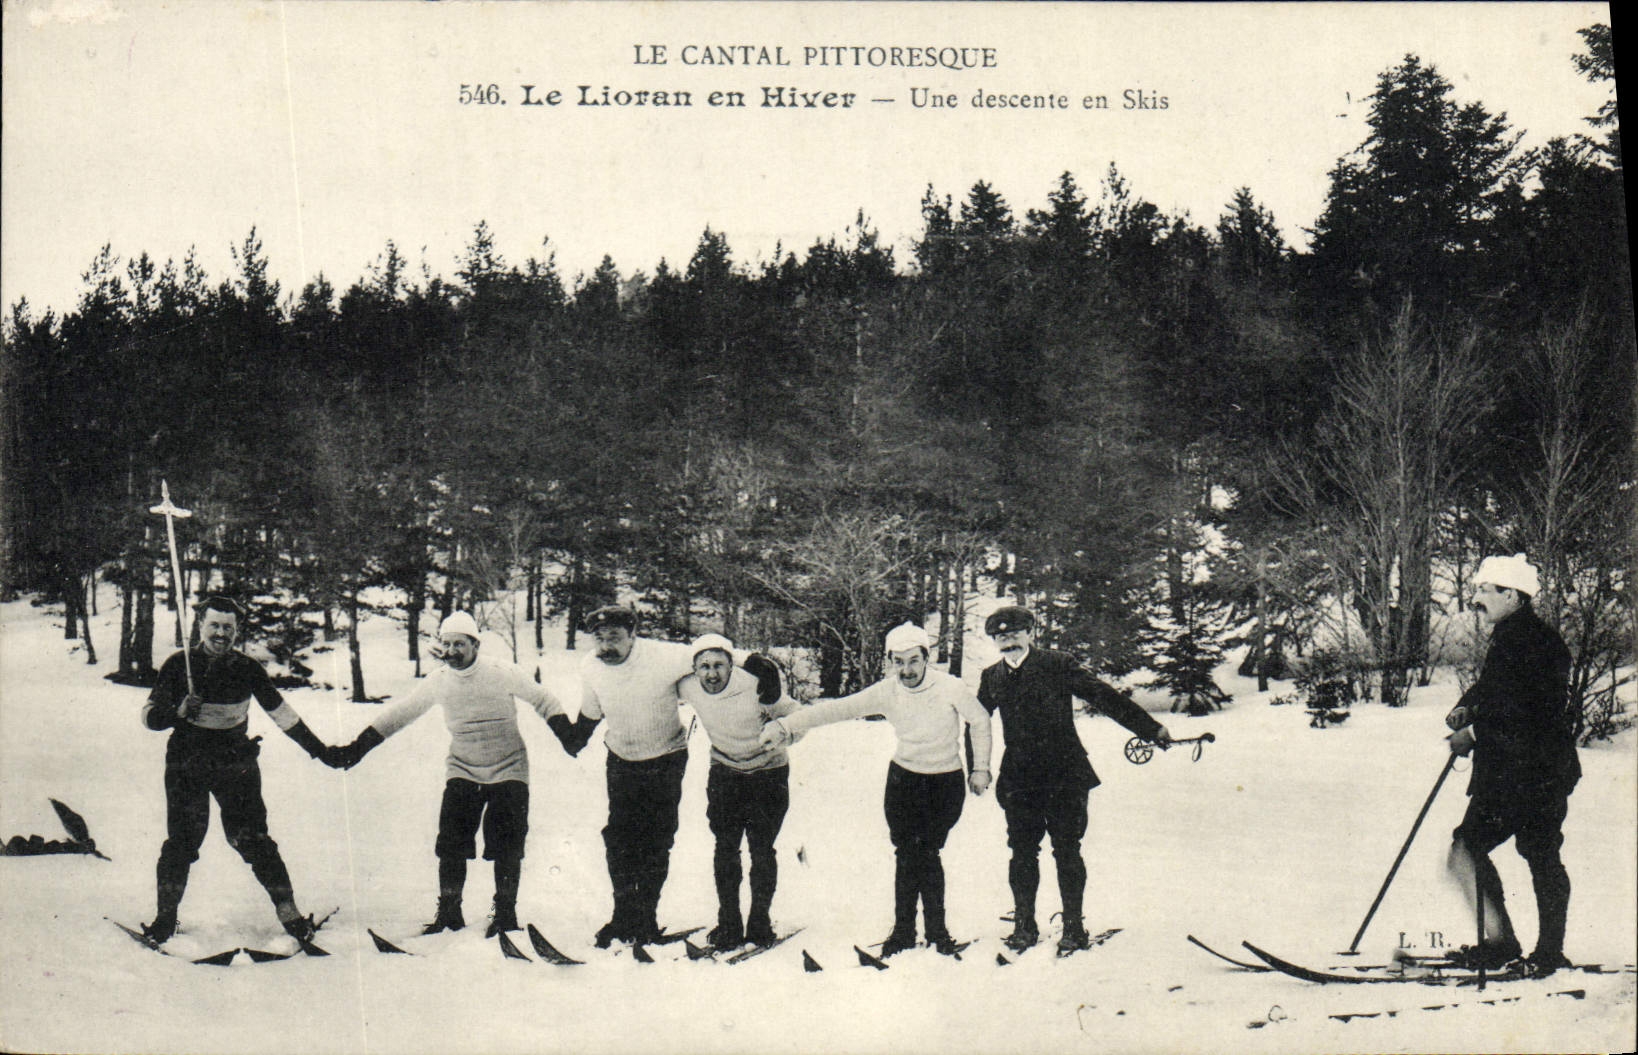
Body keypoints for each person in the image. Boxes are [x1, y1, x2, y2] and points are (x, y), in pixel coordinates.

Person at [327, 611, 579, 937]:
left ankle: (505, 913)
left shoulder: (500, 672)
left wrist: (567, 735)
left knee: (507, 844)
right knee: (451, 842)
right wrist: (356, 749)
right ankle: (449, 912)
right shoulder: (439, 681)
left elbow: (543, 699)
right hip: (463, 767)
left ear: (476, 644)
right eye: (446, 644)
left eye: (459, 643)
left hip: (509, 767)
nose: (452, 651)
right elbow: (398, 715)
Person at [761, 622, 993, 957]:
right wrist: (785, 725)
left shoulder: (949, 687)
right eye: (898, 661)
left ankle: (938, 933)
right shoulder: (887, 691)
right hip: (904, 781)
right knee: (906, 853)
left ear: (926, 658)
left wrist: (981, 768)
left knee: (926, 852)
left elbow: (980, 720)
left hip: (944, 782)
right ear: (889, 661)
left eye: (913, 660)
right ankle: (902, 932)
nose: (906, 669)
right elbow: (835, 709)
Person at [560, 605, 782, 948]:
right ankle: (623, 916)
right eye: (599, 638)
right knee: (618, 839)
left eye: (615, 637)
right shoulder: (591, 666)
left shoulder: (663, 657)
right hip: (621, 758)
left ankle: (646, 918)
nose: (606, 645)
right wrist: (579, 734)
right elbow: (593, 706)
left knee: (656, 838)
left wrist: (757, 662)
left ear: (633, 635)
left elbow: (712, 653)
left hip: (665, 759)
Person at [139, 595, 335, 946]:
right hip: (188, 762)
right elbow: (148, 717)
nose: (221, 633)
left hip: (235, 762)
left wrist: (320, 751)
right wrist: (178, 712)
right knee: (182, 842)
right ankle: (165, 919)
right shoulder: (177, 665)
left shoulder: (247, 668)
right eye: (214, 625)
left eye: (228, 627)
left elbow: (283, 714)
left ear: (236, 631)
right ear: (200, 626)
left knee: (254, 840)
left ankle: (289, 914)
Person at [978, 605, 1172, 954]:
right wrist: (975, 766)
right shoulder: (991, 677)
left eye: (1015, 634)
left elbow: (1104, 697)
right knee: (1021, 851)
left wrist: (1150, 728)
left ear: (1031, 633)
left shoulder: (1057, 664)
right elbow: (974, 722)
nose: (1008, 642)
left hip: (1065, 773)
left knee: (1067, 849)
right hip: (1019, 778)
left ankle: (1073, 926)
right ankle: (1024, 925)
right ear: (994, 641)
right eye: (1001, 637)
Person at [1443, 553, 1579, 978]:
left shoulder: (1538, 643)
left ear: (1513, 595)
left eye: (1485, 590)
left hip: (1537, 773)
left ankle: (1546, 951)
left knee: (1535, 853)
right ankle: (1503, 944)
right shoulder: (1510, 636)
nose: (1476, 598)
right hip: (1507, 774)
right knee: (1468, 847)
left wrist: (1476, 734)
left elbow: (1531, 712)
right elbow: (1495, 689)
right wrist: (1467, 706)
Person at [677, 634, 797, 948]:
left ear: (732, 665)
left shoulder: (754, 683)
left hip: (768, 773)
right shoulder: (687, 686)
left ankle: (760, 922)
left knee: (761, 848)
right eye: (704, 666)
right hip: (725, 772)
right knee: (725, 848)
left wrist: (783, 735)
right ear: (694, 668)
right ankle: (728, 922)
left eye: (719, 665)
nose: (712, 674)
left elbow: (797, 717)